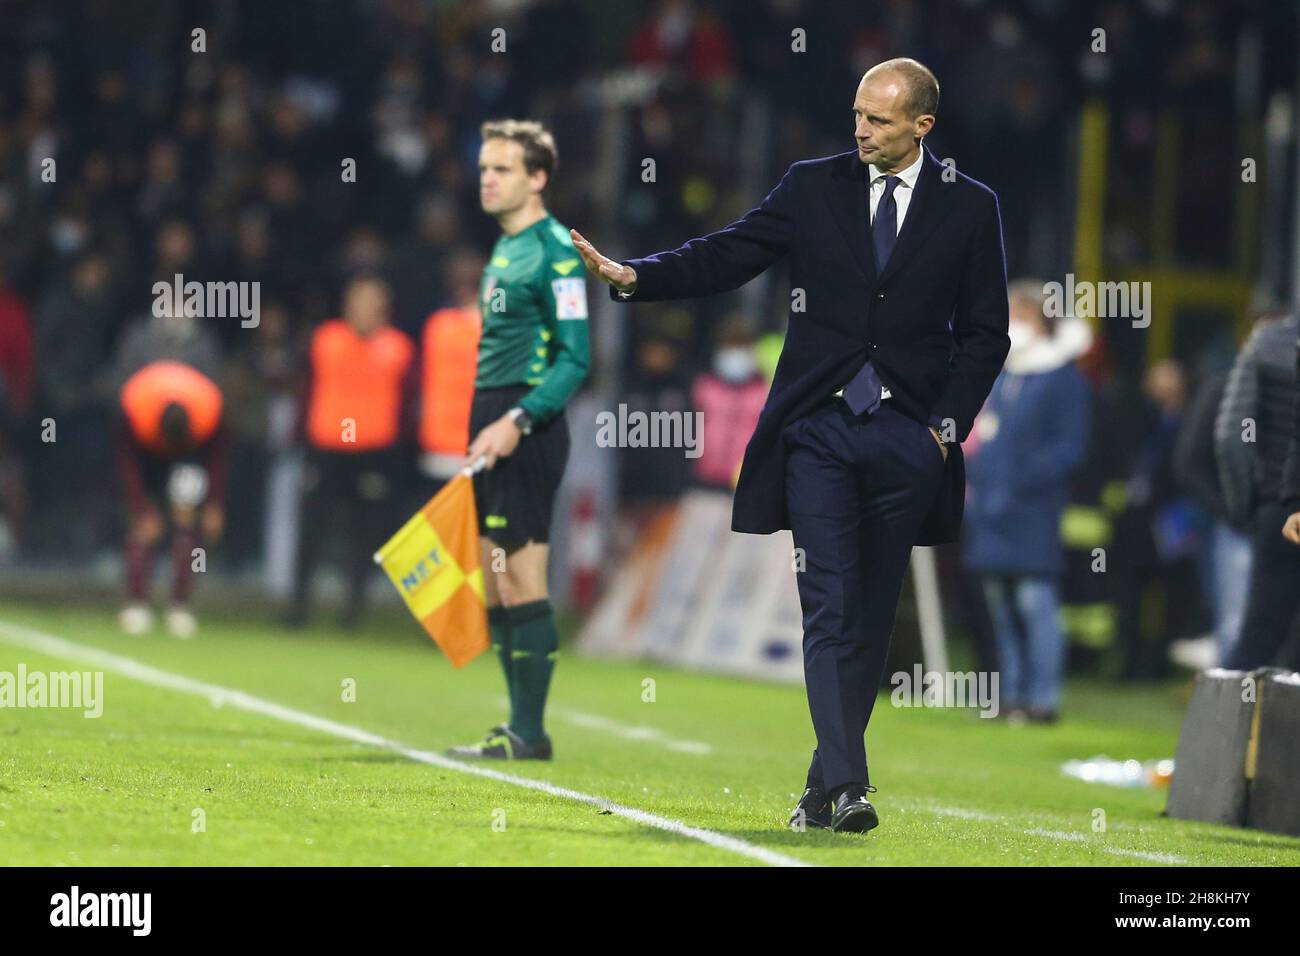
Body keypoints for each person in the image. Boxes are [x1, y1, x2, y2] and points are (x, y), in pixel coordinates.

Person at [573, 58, 1009, 833]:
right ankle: (848, 788)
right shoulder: (813, 185)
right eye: (857, 114)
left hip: (909, 440)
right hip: (818, 431)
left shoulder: (971, 208)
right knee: (830, 605)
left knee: (872, 616)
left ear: (922, 126)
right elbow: (730, 254)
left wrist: (945, 430)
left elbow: (986, 335)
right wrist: (636, 277)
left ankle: (820, 788)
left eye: (878, 119)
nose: (861, 129)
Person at [447, 120, 590, 761]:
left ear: (538, 178)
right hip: (493, 417)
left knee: (522, 577)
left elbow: (575, 358)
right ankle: (517, 726)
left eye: (502, 168)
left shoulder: (556, 249)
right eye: (484, 167)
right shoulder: (505, 248)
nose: (487, 178)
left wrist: (517, 421)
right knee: (494, 575)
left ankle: (531, 733)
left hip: (528, 427)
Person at [961, 279, 1091, 724]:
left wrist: (1019, 484)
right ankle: (1009, 694)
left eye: (1022, 315)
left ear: (1043, 320)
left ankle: (1043, 699)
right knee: (999, 608)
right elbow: (983, 434)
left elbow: (1068, 449)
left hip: (1032, 511)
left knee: (1036, 606)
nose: (1014, 324)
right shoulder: (1005, 371)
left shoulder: (1063, 376)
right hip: (991, 508)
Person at [287, 276, 415, 630]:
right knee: (311, 529)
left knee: (365, 534)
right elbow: (305, 391)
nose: (362, 311)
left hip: (374, 450)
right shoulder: (325, 340)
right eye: (357, 302)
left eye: (370, 303)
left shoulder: (398, 348)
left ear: (383, 310)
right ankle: (298, 608)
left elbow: (408, 403)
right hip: (326, 447)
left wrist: (402, 451)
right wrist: (297, 438)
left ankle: (353, 613)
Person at [116, 360, 228, 637]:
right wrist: (140, 506)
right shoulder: (134, 406)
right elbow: (126, 461)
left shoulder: (209, 410)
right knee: (143, 528)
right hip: (146, 458)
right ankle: (137, 603)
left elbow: (218, 459)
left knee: (186, 528)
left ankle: (180, 605)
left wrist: (214, 502)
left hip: (190, 457)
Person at [1217, 309, 1300, 670]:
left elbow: (1231, 438)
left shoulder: (1268, 342)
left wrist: (1247, 508)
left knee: (1259, 636)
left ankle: (1230, 726)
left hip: (1278, 508)